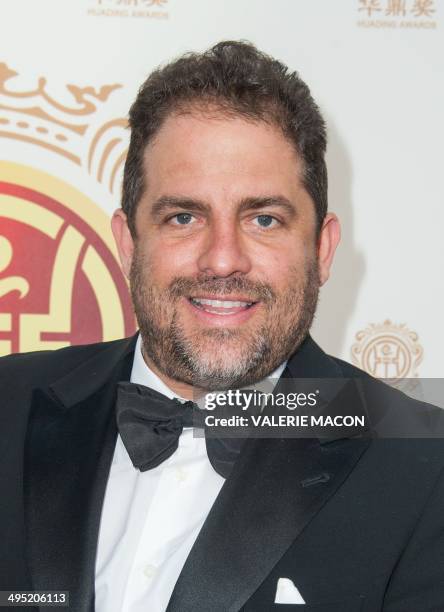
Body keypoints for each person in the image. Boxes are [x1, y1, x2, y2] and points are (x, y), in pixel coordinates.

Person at [1, 41, 444, 612]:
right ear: (127, 243)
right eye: (183, 217)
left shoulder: (426, 469)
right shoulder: (8, 407)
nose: (222, 259)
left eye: (264, 219)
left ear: (323, 248)